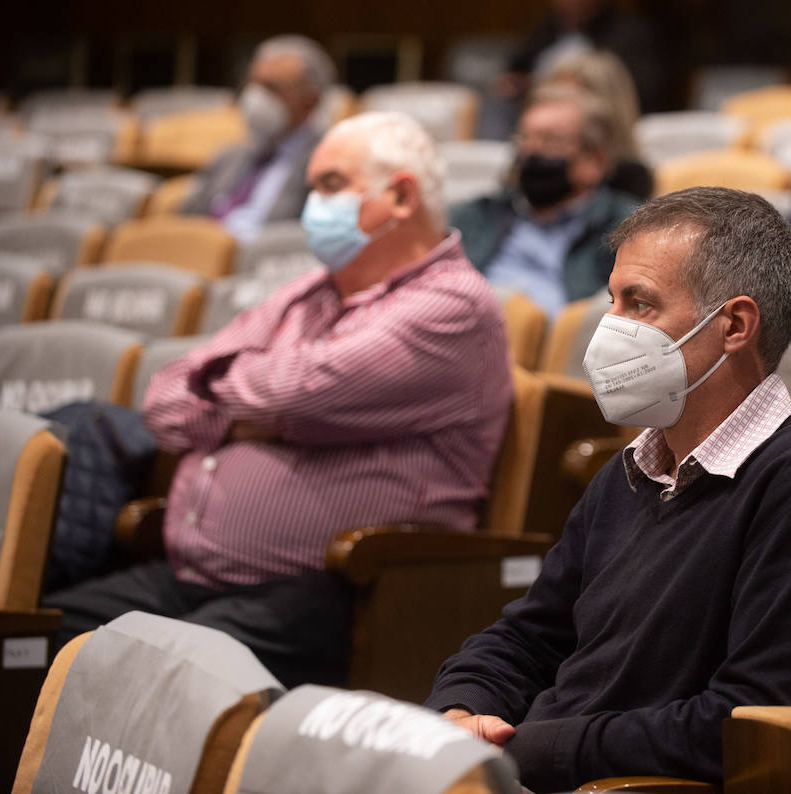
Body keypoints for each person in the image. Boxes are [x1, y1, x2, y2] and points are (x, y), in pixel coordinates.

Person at [427, 187, 791, 792]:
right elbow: (528, 636)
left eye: (640, 304)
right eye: (612, 300)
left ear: (733, 325)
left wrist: (528, 749)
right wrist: (461, 713)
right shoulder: (634, 468)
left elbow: (751, 728)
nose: (609, 328)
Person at [44, 112, 513, 686]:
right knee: (34, 648)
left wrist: (244, 401)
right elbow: (167, 400)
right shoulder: (306, 293)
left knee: (144, 678)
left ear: (401, 196)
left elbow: (298, 395)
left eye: (331, 185)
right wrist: (255, 412)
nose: (311, 204)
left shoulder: (454, 305)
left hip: (340, 590)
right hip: (191, 578)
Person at [452, 84, 641, 315]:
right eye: (525, 139)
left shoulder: (628, 231)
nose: (532, 152)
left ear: (595, 160)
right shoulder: (474, 215)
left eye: (551, 141)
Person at [180, 35, 335, 242]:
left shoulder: (326, 164)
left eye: (271, 88)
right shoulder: (227, 156)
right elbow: (182, 222)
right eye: (252, 84)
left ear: (310, 101)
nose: (254, 97)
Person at [497, 0, 665, 114]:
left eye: (576, 2)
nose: (568, 11)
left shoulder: (630, 34)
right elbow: (517, 66)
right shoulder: (549, 25)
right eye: (561, 2)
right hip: (540, 110)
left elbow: (642, 93)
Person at [544, 49, 654, 199]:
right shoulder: (530, 161)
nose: (557, 112)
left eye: (575, 101)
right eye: (555, 98)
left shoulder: (630, 177)